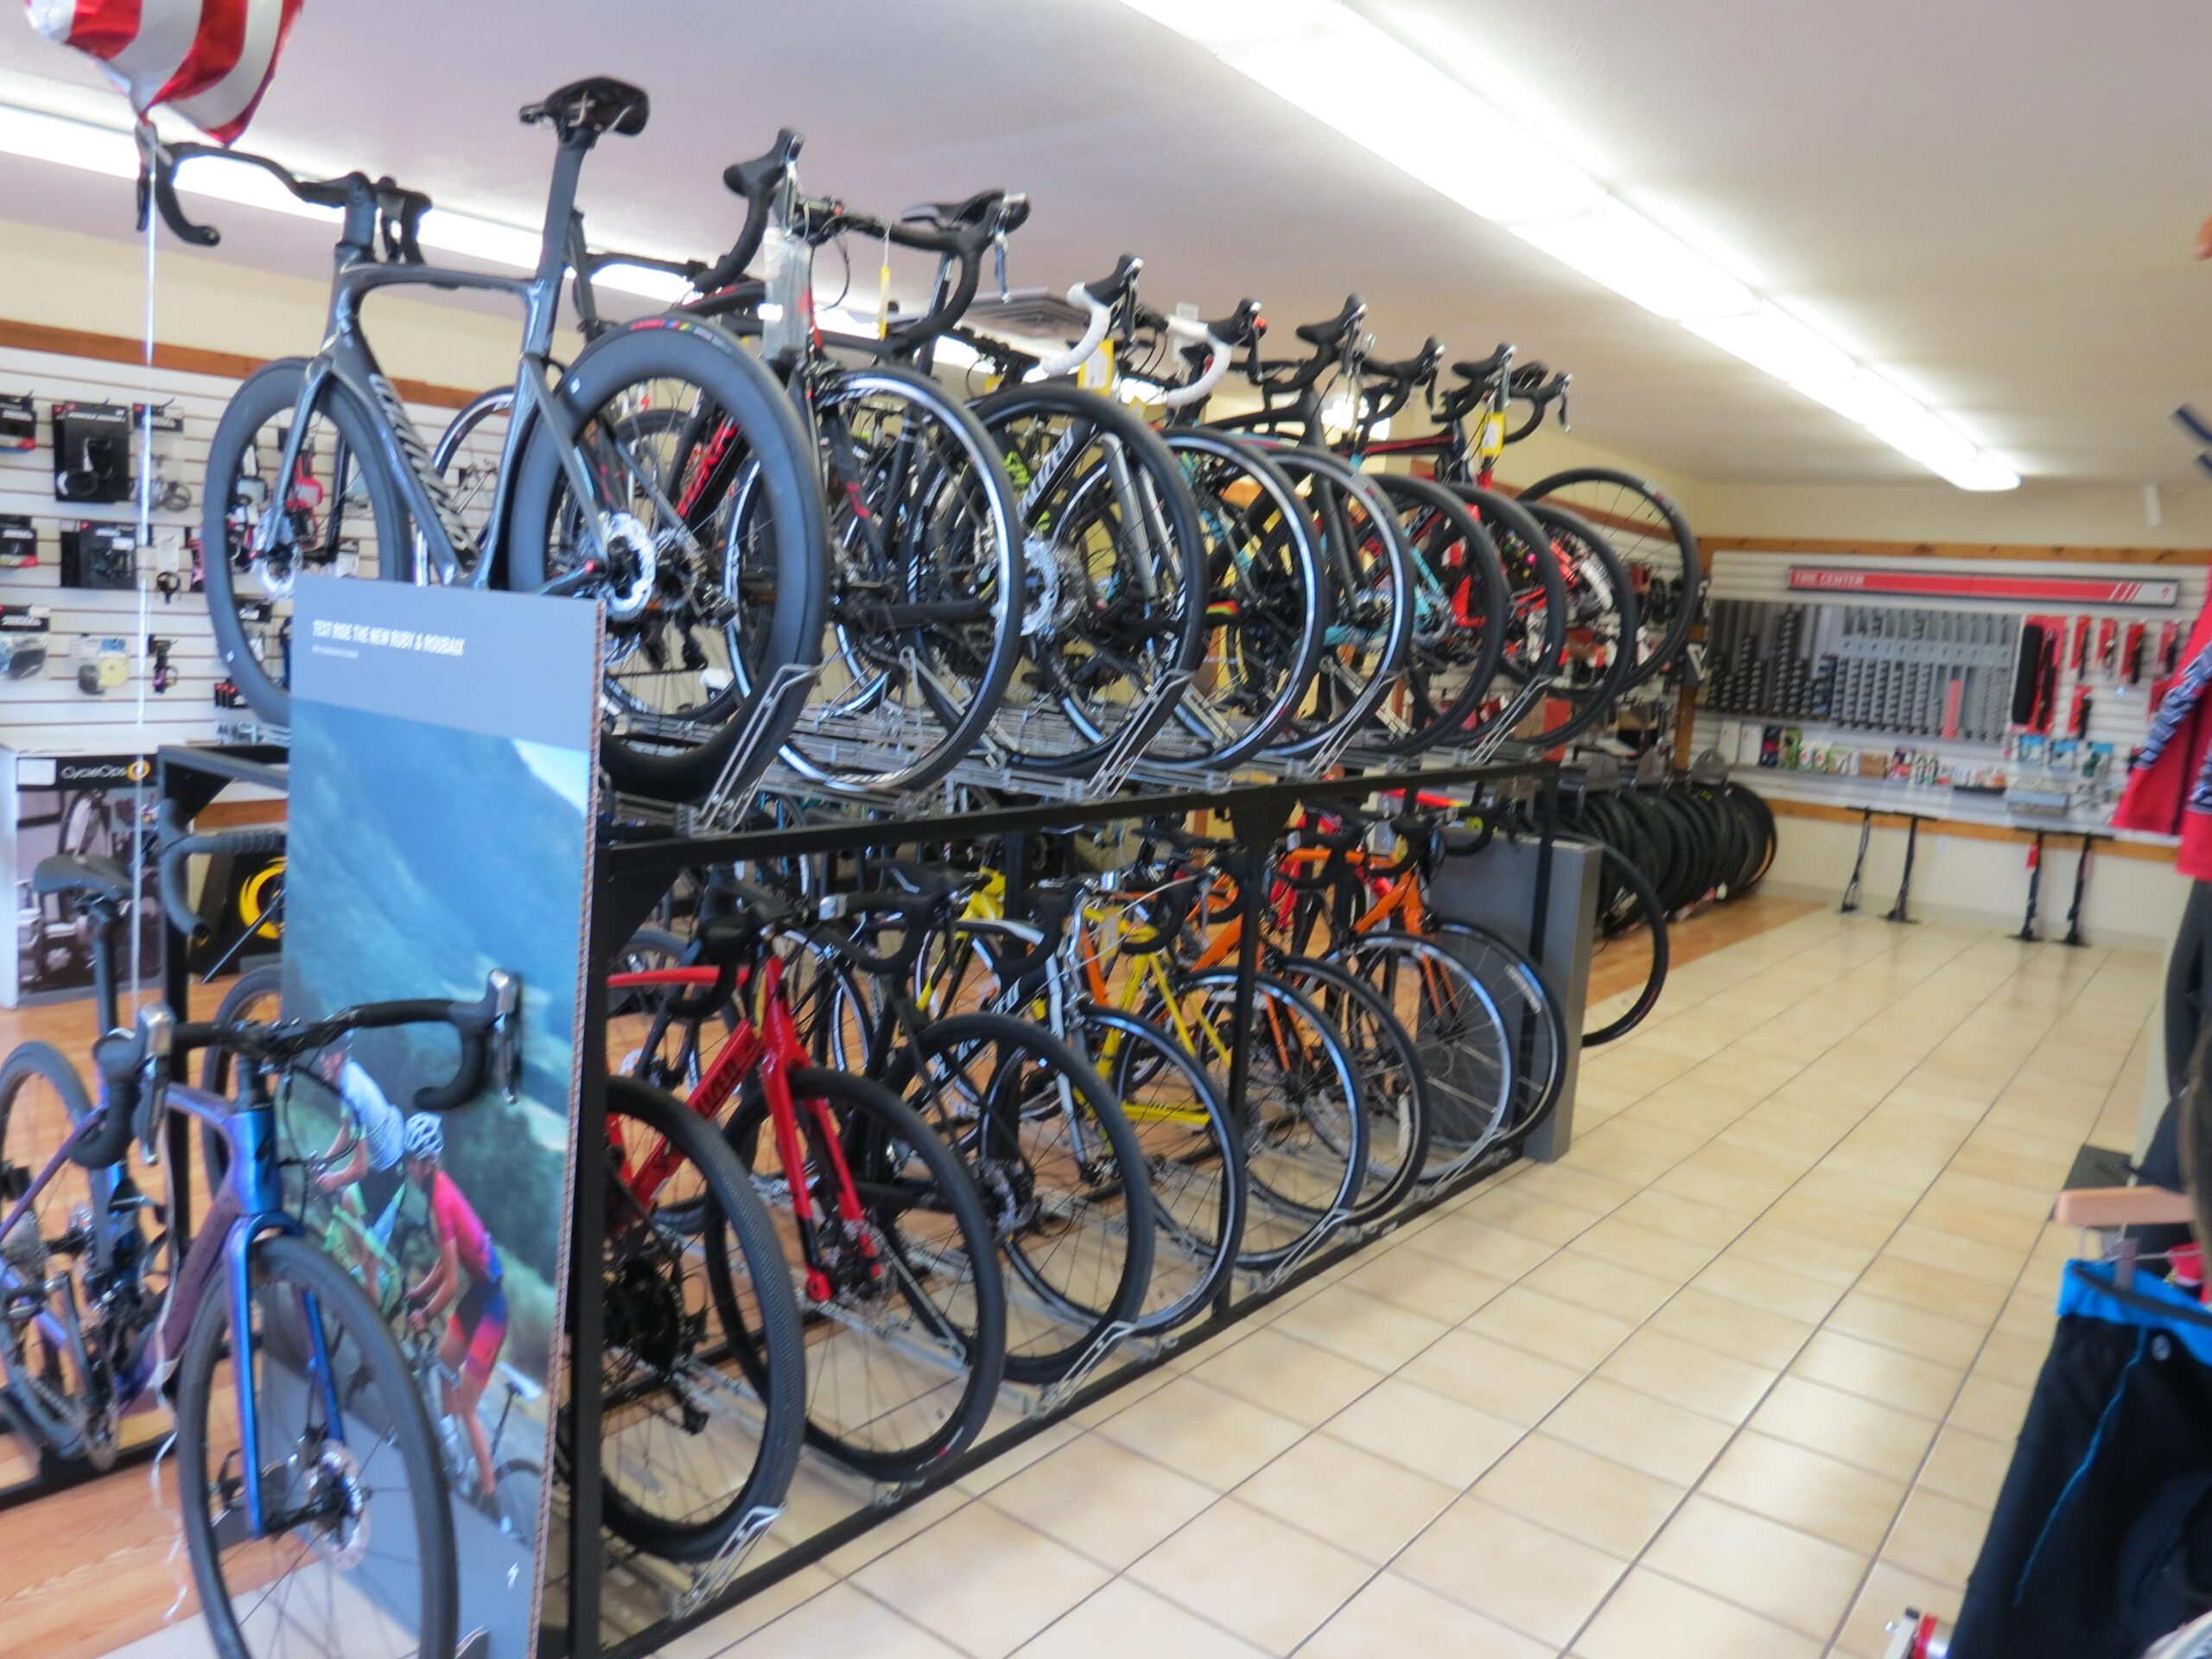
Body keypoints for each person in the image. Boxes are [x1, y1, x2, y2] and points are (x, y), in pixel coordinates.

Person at [398, 1115, 505, 1500]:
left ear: (429, 1162)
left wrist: (425, 1312)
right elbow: (447, 1266)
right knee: (444, 1367)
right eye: (408, 1158)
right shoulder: (436, 1191)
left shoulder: (440, 1200)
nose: (409, 1166)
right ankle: (457, 1465)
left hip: (492, 1306)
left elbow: (452, 1280)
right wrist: (417, 1293)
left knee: (467, 1405)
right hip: (479, 1295)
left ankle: (491, 1499)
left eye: (414, 1159)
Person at [308, 1040, 409, 1289]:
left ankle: (372, 1301)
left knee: (369, 1266)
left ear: (339, 1057)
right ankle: (363, 1267)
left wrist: (333, 1179)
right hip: (381, 1164)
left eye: (326, 1055)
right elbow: (346, 1130)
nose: (322, 1060)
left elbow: (360, 1169)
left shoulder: (353, 1094)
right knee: (348, 1204)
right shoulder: (348, 1079)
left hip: (391, 1174)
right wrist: (324, 1162)